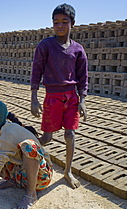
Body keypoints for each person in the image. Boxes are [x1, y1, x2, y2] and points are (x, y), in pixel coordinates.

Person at [30, 3, 88, 189]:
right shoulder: (45, 46)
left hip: (71, 98)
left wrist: (83, 100)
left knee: (70, 135)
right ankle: (26, 157)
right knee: (47, 138)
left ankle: (67, 171)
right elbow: (36, 71)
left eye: (64, 21)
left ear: (73, 23)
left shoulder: (78, 50)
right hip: (52, 97)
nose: (60, 25)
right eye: (56, 22)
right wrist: (34, 97)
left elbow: (83, 76)